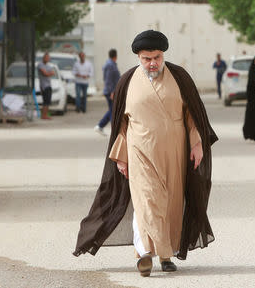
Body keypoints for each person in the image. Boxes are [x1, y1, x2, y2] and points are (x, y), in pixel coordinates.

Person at [73, 30, 218, 277]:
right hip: (139, 149)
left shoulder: (180, 77)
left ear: (163, 55)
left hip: (175, 150)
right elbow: (120, 123)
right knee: (146, 202)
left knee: (171, 203)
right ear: (139, 57)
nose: (153, 63)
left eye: (157, 57)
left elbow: (193, 115)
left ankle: (166, 253)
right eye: (147, 58)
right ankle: (144, 254)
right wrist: (120, 154)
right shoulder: (127, 81)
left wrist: (197, 144)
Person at [94, 49, 120, 136]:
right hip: (110, 92)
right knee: (113, 110)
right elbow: (109, 80)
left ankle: (101, 126)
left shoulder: (110, 64)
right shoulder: (110, 65)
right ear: (115, 56)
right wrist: (112, 91)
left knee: (112, 110)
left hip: (110, 91)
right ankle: (111, 129)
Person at [37, 52, 55, 120]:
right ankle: (43, 115)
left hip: (49, 85)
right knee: (45, 101)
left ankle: (45, 115)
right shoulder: (40, 65)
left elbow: (52, 72)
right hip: (44, 85)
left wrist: (49, 73)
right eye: (46, 57)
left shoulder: (48, 66)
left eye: (48, 58)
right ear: (43, 58)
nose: (47, 59)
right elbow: (45, 74)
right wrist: (49, 73)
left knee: (48, 101)